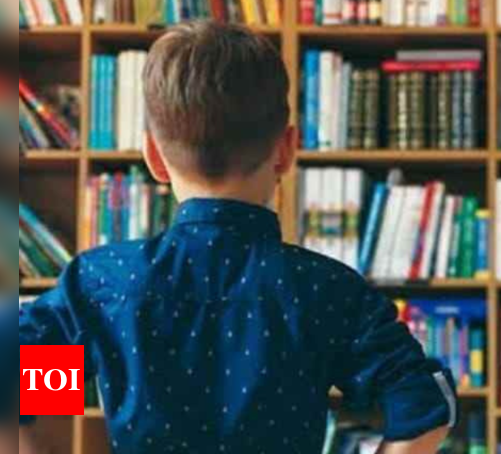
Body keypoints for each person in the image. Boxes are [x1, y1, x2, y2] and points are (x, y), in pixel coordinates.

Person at [14, 22, 455, 453]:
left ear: (154, 157)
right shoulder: (325, 292)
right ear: (285, 151)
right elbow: (424, 406)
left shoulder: (108, 288)